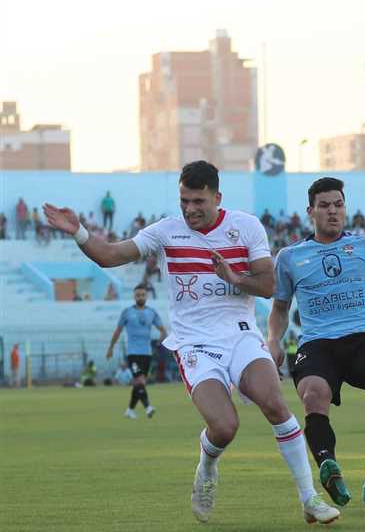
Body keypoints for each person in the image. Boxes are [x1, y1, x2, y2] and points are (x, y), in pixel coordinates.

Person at [43, 160, 339, 525]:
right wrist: (79, 232)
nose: (190, 209)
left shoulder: (245, 227)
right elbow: (111, 256)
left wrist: (233, 276)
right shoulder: (167, 231)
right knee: (225, 427)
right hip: (195, 343)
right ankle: (207, 468)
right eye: (184, 200)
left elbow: (267, 285)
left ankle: (309, 498)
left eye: (198, 201)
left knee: (275, 403)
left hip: (241, 332)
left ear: (217, 197)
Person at [268, 176, 365, 510]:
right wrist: (273, 339)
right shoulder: (290, 257)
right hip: (317, 344)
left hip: (362, 340)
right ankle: (327, 466)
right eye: (325, 205)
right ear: (310, 211)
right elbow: (279, 309)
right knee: (314, 394)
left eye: (338, 204)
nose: (333, 211)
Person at [106, 284, 167, 419]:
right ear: (134, 296)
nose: (140, 297)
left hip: (147, 353)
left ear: (146, 296)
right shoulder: (127, 312)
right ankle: (148, 407)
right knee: (139, 380)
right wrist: (111, 347)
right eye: (138, 295)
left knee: (141, 383)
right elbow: (118, 331)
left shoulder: (152, 312)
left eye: (143, 295)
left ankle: (129, 410)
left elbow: (163, 330)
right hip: (133, 353)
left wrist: (158, 343)